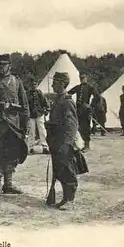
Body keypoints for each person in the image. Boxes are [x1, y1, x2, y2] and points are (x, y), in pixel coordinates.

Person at [0, 54, 29, 195]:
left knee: (12, 154)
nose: (1, 68)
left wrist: (25, 126)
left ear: (10, 66)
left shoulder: (16, 82)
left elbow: (25, 105)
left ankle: (8, 184)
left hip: (13, 125)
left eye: (4, 65)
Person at [45, 72, 79, 210]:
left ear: (62, 84)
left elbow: (72, 125)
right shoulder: (59, 99)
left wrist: (66, 143)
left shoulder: (67, 101)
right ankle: (65, 196)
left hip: (63, 142)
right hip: (56, 140)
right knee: (59, 169)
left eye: (55, 83)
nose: (52, 85)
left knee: (67, 170)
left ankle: (69, 199)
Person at [68, 73, 97, 151]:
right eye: (81, 78)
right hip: (79, 110)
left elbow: (97, 97)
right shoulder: (78, 87)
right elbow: (68, 93)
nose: (82, 79)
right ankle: (81, 145)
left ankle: (87, 145)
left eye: (84, 78)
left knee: (86, 127)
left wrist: (90, 105)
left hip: (86, 110)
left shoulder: (90, 87)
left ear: (86, 78)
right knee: (79, 127)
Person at [26, 78, 50, 154]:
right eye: (32, 84)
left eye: (35, 84)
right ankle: (31, 147)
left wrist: (47, 109)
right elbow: (26, 104)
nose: (34, 86)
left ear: (37, 84)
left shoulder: (40, 93)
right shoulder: (27, 94)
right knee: (31, 132)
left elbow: (45, 102)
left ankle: (45, 147)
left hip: (40, 113)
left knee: (42, 131)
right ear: (30, 85)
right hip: (31, 115)